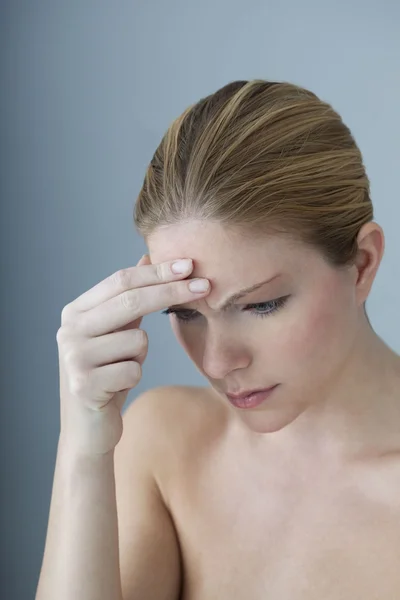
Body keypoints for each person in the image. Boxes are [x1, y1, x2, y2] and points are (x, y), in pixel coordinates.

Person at [36, 80, 400, 600]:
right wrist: (82, 448)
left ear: (361, 264)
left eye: (261, 304)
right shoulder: (164, 446)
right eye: (184, 312)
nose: (216, 360)